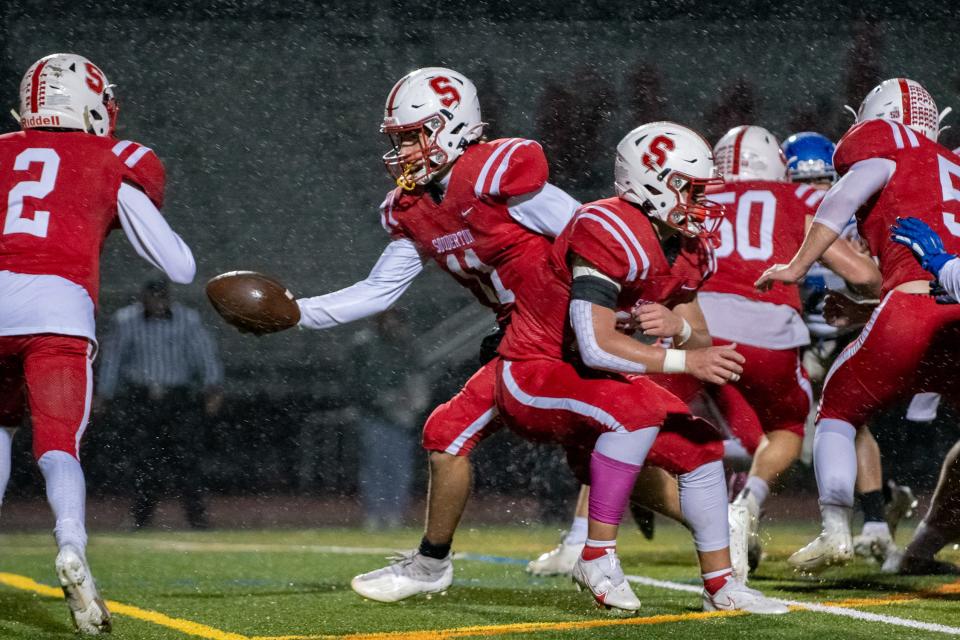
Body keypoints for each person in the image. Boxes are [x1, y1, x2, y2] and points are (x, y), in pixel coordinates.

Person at [291, 67, 581, 602]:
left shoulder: (497, 173)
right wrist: (296, 312)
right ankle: (707, 537)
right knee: (623, 447)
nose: (403, 149)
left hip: (564, 326)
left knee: (626, 444)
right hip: (522, 332)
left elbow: (589, 234)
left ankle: (437, 564)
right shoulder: (417, 208)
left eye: (412, 135)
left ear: (452, 126)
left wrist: (607, 317)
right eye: (399, 138)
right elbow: (379, 292)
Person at [493, 122, 787, 613]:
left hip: (592, 377)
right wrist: (685, 357)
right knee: (634, 411)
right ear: (653, 184)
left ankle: (722, 586)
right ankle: (596, 554)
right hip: (536, 367)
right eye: (691, 191)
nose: (701, 204)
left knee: (702, 446)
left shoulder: (688, 247)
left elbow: (701, 337)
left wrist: (678, 326)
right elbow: (595, 346)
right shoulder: (606, 227)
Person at [0, 53, 195, 634]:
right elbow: (178, 267)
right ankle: (71, 546)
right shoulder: (114, 157)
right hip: (58, 309)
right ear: (88, 102)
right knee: (58, 444)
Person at [755, 77, 960, 571]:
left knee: (838, 411)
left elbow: (842, 197)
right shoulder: (952, 164)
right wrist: (866, 310)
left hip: (910, 311)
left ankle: (835, 530)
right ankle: (917, 549)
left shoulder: (885, 144)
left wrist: (797, 266)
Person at [785, 132, 918, 568]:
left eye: (826, 181)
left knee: (847, 420)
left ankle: (873, 521)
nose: (818, 191)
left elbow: (884, 280)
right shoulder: (794, 210)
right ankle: (879, 509)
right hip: (805, 334)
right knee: (807, 434)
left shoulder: (854, 208)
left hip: (851, 328)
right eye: (809, 182)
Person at [96, 278, 224, 529]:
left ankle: (197, 518)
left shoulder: (188, 320)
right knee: (144, 459)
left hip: (177, 399)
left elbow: (205, 354)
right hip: (141, 399)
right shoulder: (126, 321)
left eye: (161, 297)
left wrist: (213, 387)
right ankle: (141, 517)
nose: (157, 302)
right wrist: (104, 394)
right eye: (152, 296)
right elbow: (113, 360)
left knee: (187, 459)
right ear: (143, 297)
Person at [346, 309, 429, 529]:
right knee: (376, 466)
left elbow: (416, 375)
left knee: (397, 467)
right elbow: (357, 380)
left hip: (400, 415)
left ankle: (393, 513)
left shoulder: (407, 345)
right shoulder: (364, 344)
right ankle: (375, 513)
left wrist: (412, 401)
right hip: (375, 414)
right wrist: (380, 398)